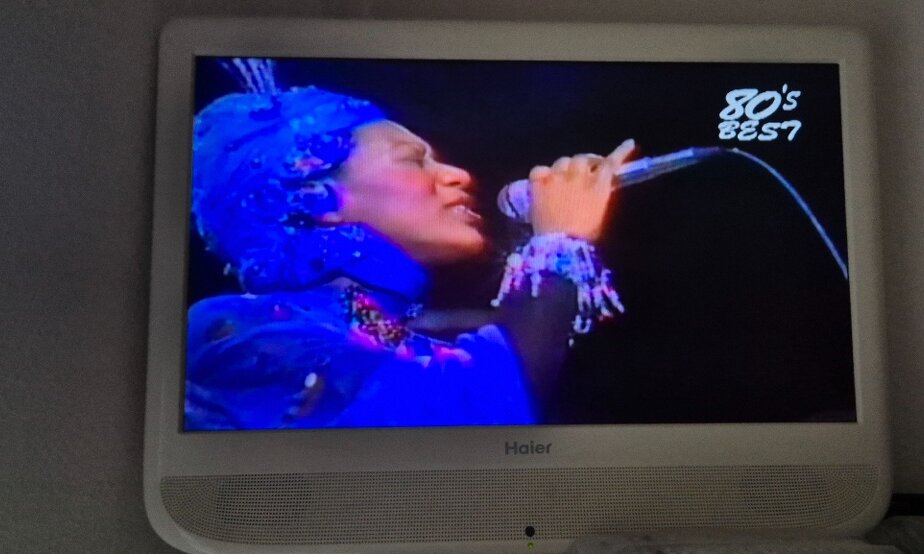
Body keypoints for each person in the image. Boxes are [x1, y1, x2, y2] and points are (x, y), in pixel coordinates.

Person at [185, 59, 634, 430]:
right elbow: (462, 418)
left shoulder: (402, 332)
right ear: (316, 195)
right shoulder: (238, 332)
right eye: (414, 160)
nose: (458, 175)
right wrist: (558, 244)